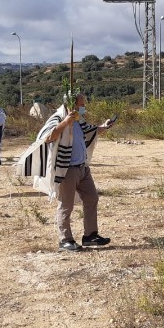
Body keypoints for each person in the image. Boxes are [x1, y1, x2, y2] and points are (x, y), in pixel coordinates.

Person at [41, 94, 115, 251]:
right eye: (81, 104)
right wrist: (65, 123)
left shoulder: (79, 121)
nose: (84, 107)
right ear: (72, 104)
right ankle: (65, 239)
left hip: (82, 168)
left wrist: (106, 126)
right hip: (67, 169)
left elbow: (92, 131)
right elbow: (48, 137)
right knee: (66, 205)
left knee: (91, 198)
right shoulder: (58, 118)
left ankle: (90, 236)